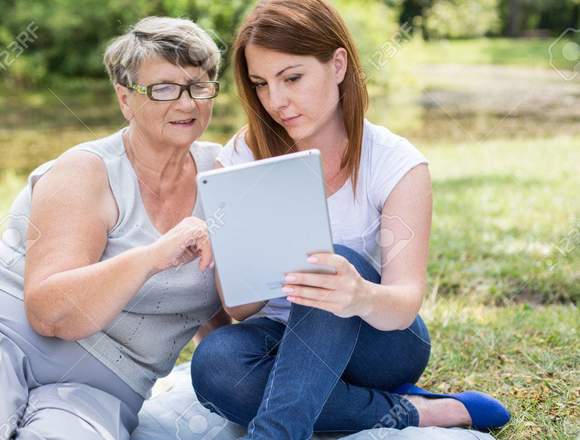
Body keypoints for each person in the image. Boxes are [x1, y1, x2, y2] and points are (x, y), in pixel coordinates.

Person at [190, 1, 510, 439]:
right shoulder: (242, 158)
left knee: (331, 261)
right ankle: (416, 412)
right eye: (262, 84)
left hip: (380, 341)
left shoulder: (396, 164)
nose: (276, 101)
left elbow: (404, 301)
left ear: (338, 64)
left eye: (293, 78)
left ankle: (276, 432)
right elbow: (240, 309)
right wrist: (238, 246)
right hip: (282, 339)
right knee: (216, 365)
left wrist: (356, 295)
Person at [0, 16, 229, 439]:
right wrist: (153, 257)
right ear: (125, 99)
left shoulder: (228, 176)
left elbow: (223, 308)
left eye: (199, 86)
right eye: (163, 89)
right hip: (12, 343)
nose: (187, 104)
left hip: (102, 390)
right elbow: (50, 314)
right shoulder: (86, 171)